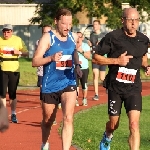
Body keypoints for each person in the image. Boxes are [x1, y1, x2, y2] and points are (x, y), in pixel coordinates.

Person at [92, 8, 150, 150]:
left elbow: (142, 57)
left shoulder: (143, 40)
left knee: (134, 125)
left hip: (133, 88)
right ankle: (107, 136)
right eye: (130, 20)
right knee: (114, 124)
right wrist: (117, 61)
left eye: (136, 20)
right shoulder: (113, 37)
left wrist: (146, 66)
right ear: (122, 20)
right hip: (115, 88)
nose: (133, 23)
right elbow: (96, 57)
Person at [32, 8, 82, 150]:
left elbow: (74, 51)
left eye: (70, 24)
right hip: (50, 85)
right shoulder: (48, 38)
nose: (67, 27)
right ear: (56, 22)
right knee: (48, 120)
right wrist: (51, 58)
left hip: (69, 81)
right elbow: (35, 61)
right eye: (64, 24)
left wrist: (77, 65)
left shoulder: (73, 37)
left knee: (68, 118)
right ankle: (44, 144)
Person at [0, 24, 29, 123]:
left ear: (12, 32)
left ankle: (13, 113)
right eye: (4, 31)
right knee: (2, 94)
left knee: (12, 94)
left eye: (8, 31)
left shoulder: (18, 40)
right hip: (2, 69)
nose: (6, 33)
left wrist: (19, 52)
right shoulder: (0, 40)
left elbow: (27, 53)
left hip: (14, 70)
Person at [88, 20, 107, 101]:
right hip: (95, 58)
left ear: (99, 26)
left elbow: (107, 46)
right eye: (93, 25)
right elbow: (92, 46)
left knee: (102, 78)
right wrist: (90, 45)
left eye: (96, 24)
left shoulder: (104, 35)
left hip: (102, 58)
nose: (94, 26)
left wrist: (102, 44)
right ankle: (96, 94)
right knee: (95, 74)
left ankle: (107, 85)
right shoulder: (91, 35)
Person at [75, 31, 91, 106]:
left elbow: (89, 57)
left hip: (84, 68)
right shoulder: (73, 45)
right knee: (76, 85)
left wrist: (81, 51)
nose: (78, 38)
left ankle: (84, 98)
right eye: (77, 36)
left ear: (83, 38)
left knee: (84, 84)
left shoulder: (85, 46)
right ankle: (76, 99)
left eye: (80, 37)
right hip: (75, 68)